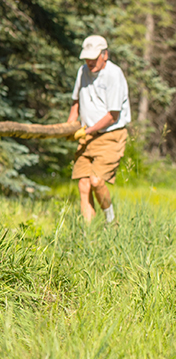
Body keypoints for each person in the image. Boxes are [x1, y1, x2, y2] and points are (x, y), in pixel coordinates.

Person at [67, 35, 130, 224]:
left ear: (105, 55)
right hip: (87, 134)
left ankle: (111, 222)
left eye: (94, 58)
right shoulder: (83, 71)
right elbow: (75, 101)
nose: (90, 62)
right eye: (87, 58)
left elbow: (113, 115)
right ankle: (90, 233)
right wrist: (70, 125)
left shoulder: (114, 74)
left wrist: (87, 131)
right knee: (84, 184)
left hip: (110, 135)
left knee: (96, 181)